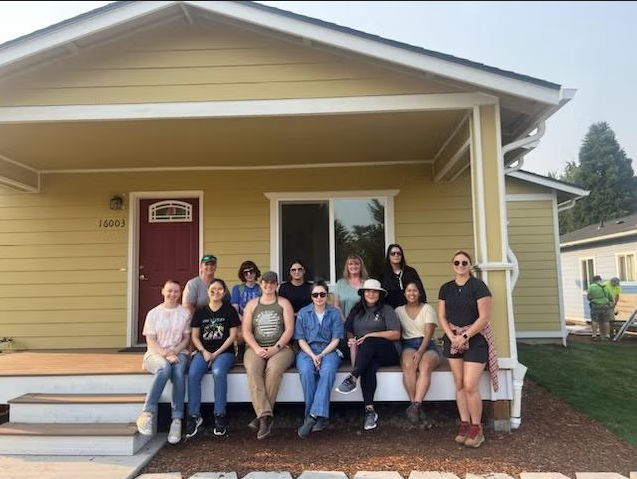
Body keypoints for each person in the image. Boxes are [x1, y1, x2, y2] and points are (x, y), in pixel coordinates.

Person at [438, 250, 498, 448]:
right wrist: (453, 337)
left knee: (471, 385)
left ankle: (476, 428)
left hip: (476, 339)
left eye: (464, 263)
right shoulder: (445, 288)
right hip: (453, 338)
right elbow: (442, 317)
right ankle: (464, 424)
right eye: (457, 262)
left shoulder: (478, 286)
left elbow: (484, 317)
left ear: (470, 265)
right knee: (459, 383)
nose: (460, 265)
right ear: (452, 264)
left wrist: (464, 336)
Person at [334, 279, 401, 431]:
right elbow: (349, 329)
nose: (371, 294)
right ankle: (370, 411)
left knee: (370, 341)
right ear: (363, 294)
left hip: (389, 351)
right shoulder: (357, 310)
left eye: (374, 291)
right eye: (368, 291)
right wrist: (351, 338)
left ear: (379, 294)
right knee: (368, 367)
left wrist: (372, 335)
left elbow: (396, 334)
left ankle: (352, 376)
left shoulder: (386, 309)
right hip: (367, 354)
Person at [242, 271, 296, 439]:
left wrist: (276, 347)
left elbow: (289, 329)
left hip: (282, 348)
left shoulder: (284, 303)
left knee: (273, 370)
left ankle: (262, 417)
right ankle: (266, 416)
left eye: (272, 283)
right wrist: (257, 348)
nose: (268, 285)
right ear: (261, 284)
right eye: (265, 282)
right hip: (255, 347)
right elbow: (246, 330)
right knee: (252, 369)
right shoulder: (252, 304)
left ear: (277, 285)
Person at [136, 279, 191, 445]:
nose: (173, 294)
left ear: (180, 293)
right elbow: (151, 341)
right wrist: (165, 354)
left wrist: (174, 351)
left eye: (176, 291)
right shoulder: (153, 313)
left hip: (179, 352)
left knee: (178, 373)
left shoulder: (185, 313)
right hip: (155, 354)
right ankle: (147, 413)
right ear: (163, 291)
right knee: (165, 369)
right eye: (169, 291)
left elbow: (186, 338)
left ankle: (177, 420)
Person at [185, 279, 240, 440]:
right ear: (208, 291)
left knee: (218, 372)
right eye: (213, 289)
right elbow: (195, 336)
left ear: (224, 292)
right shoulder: (200, 311)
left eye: (220, 289)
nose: (216, 292)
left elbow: (232, 336)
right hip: (203, 351)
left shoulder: (229, 310)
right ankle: (194, 415)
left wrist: (216, 353)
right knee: (194, 374)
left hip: (224, 352)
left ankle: (220, 414)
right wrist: (203, 351)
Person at [294, 281, 344, 438]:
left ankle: (312, 416)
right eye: (315, 295)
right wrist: (313, 355)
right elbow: (300, 339)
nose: (319, 297)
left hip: (329, 350)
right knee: (306, 371)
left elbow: (336, 339)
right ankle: (317, 416)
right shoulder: (303, 313)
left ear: (327, 295)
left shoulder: (334, 313)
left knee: (328, 371)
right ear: (311, 296)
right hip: (307, 351)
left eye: (322, 294)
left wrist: (321, 355)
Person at [396, 281, 441, 424]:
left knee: (425, 365)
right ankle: (415, 405)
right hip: (408, 343)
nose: (412, 293)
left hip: (427, 344)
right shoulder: (398, 311)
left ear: (419, 293)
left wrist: (421, 352)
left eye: (415, 291)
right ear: (405, 293)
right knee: (409, 364)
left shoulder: (427, 308)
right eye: (409, 291)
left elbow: (429, 333)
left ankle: (414, 406)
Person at [231, 260, 262, 359]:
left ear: (255, 272)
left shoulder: (261, 288)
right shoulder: (237, 289)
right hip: (242, 319)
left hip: (259, 319)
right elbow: (235, 308)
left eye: (251, 271)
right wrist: (245, 320)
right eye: (246, 272)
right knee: (240, 332)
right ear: (242, 275)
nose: (249, 274)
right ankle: (240, 353)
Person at [381, 244, 427, 309]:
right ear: (388, 256)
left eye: (399, 253)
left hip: (410, 309)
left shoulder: (410, 271)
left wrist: (421, 308)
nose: (396, 255)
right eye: (393, 253)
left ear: (402, 256)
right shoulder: (383, 274)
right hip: (390, 310)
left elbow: (420, 290)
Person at [333, 253, 369, 319]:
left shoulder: (367, 283)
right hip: (344, 322)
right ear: (347, 266)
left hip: (364, 323)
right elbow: (336, 306)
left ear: (361, 266)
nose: (354, 266)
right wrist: (344, 321)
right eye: (350, 264)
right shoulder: (340, 283)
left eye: (357, 264)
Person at [587, 275, 614, 341]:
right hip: (605, 305)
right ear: (600, 280)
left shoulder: (591, 287)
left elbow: (588, 297)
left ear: (593, 280)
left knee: (594, 320)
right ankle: (607, 335)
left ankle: (594, 335)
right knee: (606, 320)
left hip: (595, 305)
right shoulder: (605, 287)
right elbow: (610, 297)